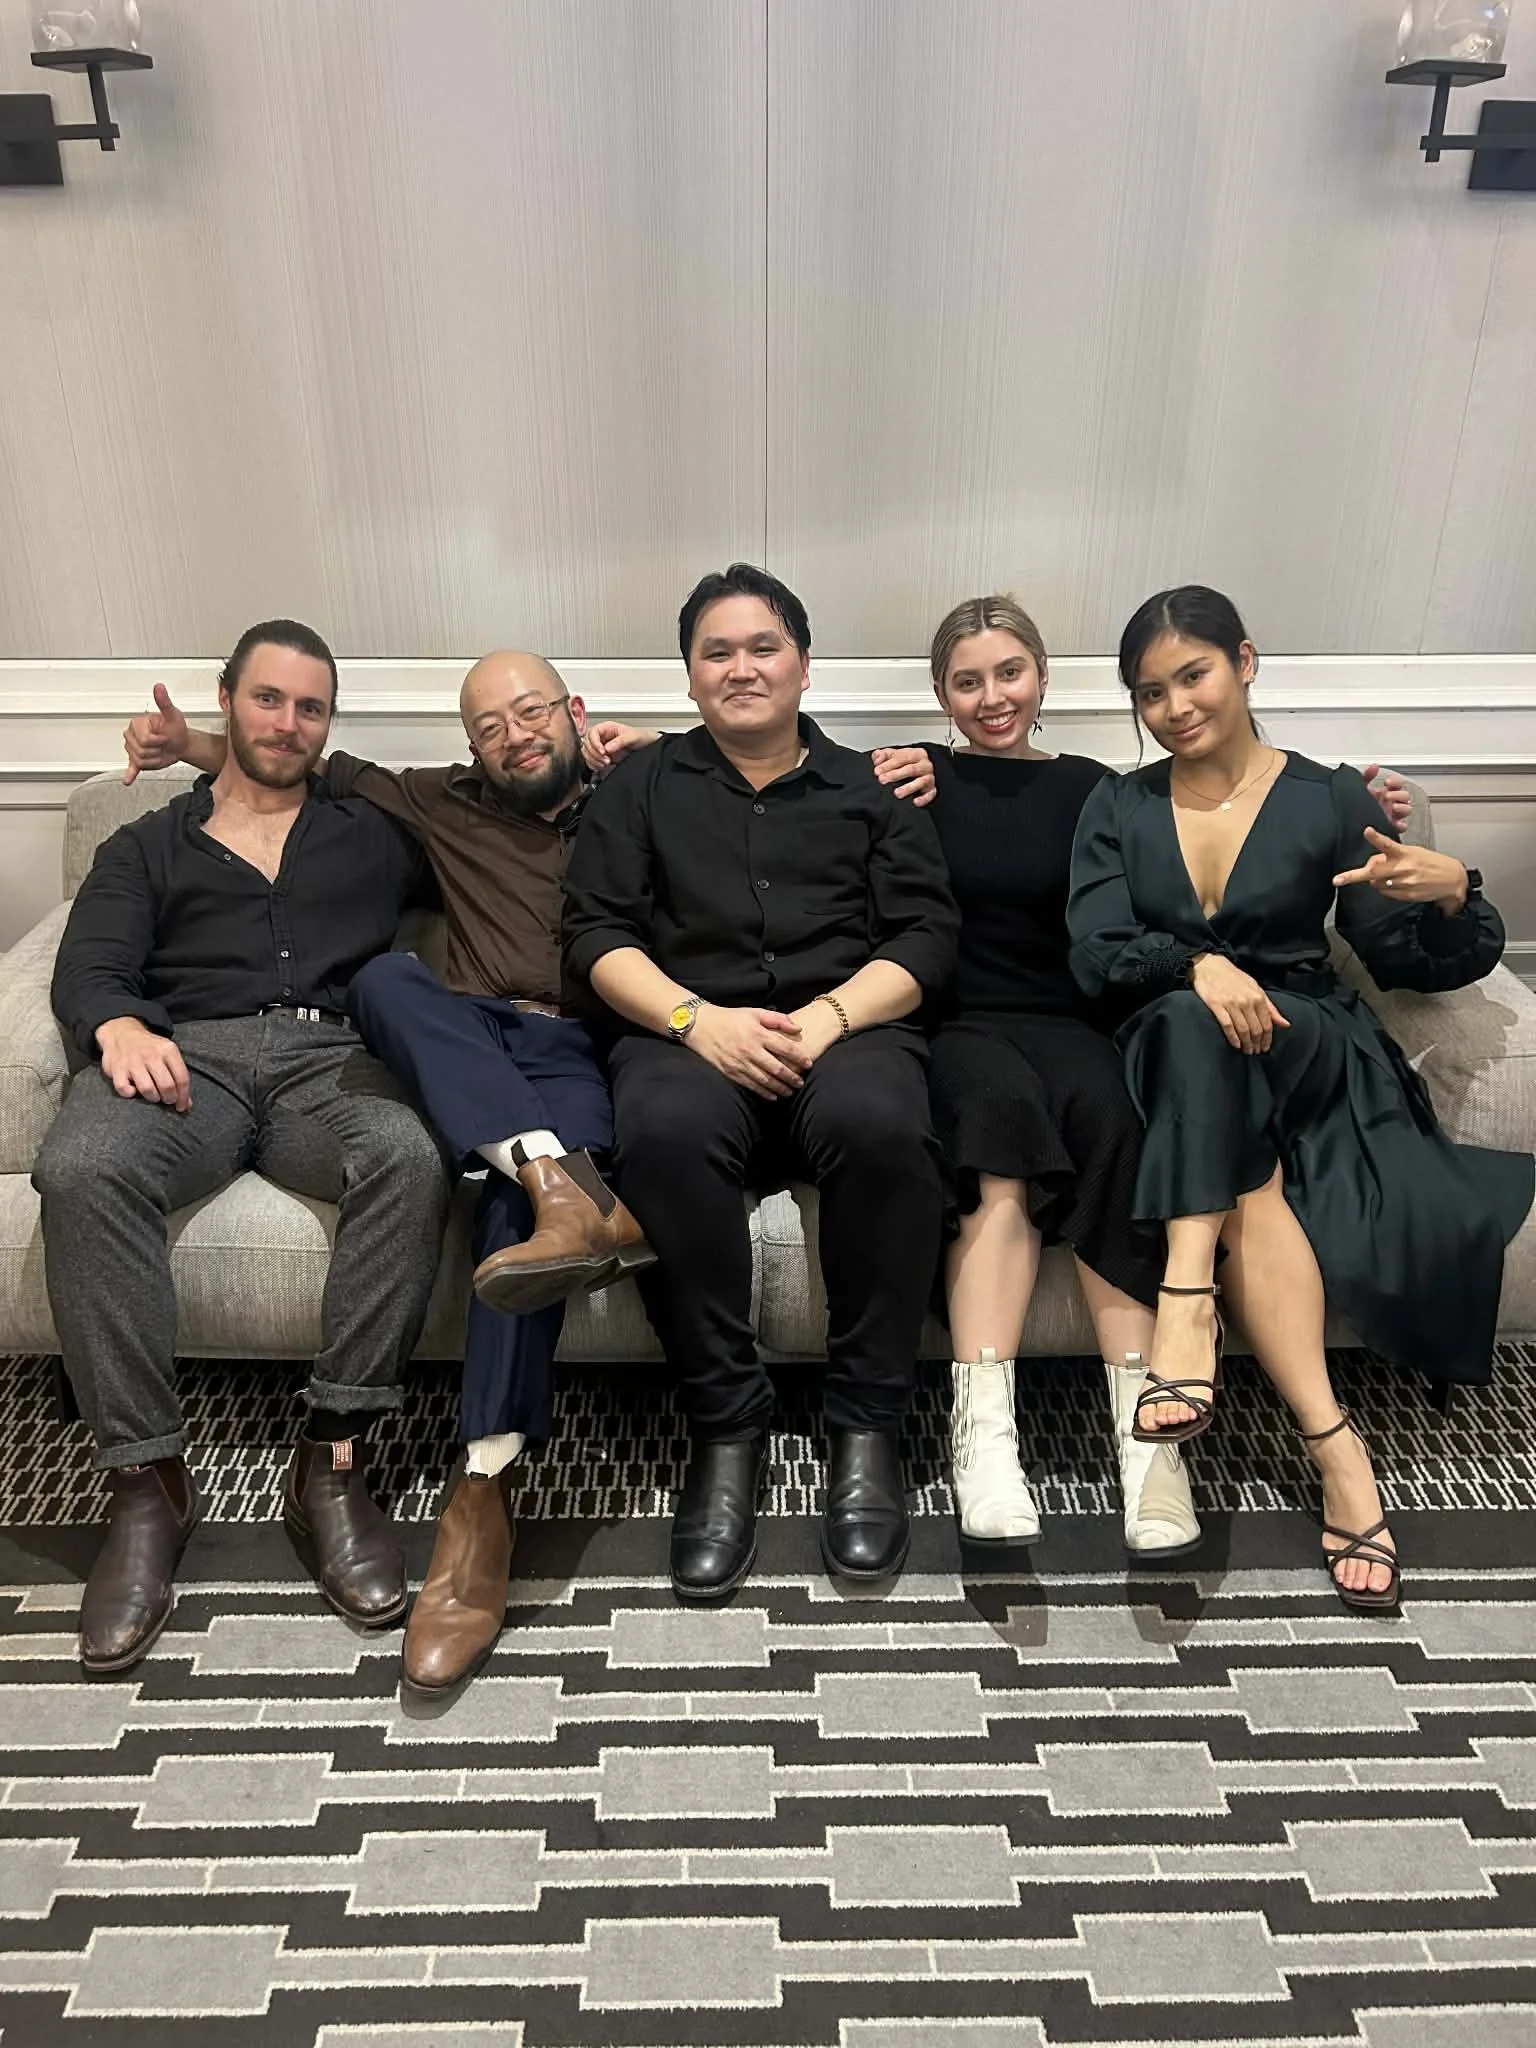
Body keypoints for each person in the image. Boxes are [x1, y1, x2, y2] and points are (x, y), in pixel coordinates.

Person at [122, 651, 654, 1697]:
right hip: (463, 1035)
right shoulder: (435, 801)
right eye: (488, 723)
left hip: (577, 1042)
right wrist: (188, 743)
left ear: (575, 713)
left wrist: (665, 743)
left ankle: (481, 1492)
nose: (513, 734)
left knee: (511, 1211)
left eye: (532, 709)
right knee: (384, 977)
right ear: (469, 749)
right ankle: (560, 1181)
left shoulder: (642, 789)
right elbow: (295, 753)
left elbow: (759, 775)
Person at [1066, 584, 1534, 1611]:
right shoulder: (1118, 803)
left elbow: (1401, 959)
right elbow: (1098, 956)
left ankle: (1186, 1298)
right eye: (1151, 691)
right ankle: (1337, 1449)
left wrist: (1456, 890)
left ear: (1244, 660)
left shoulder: (1331, 797)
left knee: (1236, 1035)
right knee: (1239, 1141)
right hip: (1167, 1036)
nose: (1176, 704)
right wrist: (1197, 965)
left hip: (1308, 1033)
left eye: (1193, 674)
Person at [40, 620, 451, 1674]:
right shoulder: (146, 843)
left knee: (409, 1158)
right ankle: (146, 1484)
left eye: (310, 706)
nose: (288, 722)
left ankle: (332, 1457)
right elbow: (89, 964)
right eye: (268, 699)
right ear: (230, 702)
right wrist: (118, 1025)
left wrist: (602, 759)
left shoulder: (372, 829)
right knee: (84, 1165)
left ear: (328, 723)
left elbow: (498, 811)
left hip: (335, 1059)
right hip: (190, 1060)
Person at [563, 562, 960, 1602]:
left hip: (849, 1028)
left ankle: (868, 1425)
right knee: (655, 1128)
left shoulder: (877, 786)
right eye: (716, 652)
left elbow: (926, 933)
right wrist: (700, 1023)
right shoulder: (640, 788)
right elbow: (595, 933)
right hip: (692, 1031)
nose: (741, 668)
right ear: (691, 677)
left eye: (763, 647)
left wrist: (829, 1017)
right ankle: (726, 1426)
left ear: (804, 666)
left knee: (886, 1123)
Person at [919, 595, 1202, 1556]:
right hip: (961, 1024)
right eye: (967, 680)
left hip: (1071, 1021)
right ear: (941, 694)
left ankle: (1147, 1441)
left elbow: (1213, 806)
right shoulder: (916, 782)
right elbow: (780, 756)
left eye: (1010, 673)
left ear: (1041, 678)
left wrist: (1384, 805)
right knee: (997, 1124)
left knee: (1113, 1125)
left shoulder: (1096, 787)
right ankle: (985, 1436)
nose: (991, 696)